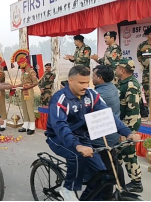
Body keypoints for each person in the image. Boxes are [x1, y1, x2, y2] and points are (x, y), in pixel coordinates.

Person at [45, 65, 140, 201]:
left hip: (82, 136)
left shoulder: (91, 95)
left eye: (87, 82)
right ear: (70, 81)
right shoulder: (60, 99)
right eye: (81, 83)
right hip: (59, 137)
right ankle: (68, 188)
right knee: (77, 155)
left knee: (100, 175)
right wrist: (77, 146)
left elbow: (107, 114)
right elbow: (60, 126)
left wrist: (127, 132)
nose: (85, 86)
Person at [91, 65, 125, 200]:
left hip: (102, 137)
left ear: (99, 78)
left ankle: (106, 195)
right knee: (113, 164)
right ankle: (120, 189)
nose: (92, 78)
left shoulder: (98, 95)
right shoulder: (112, 88)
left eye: (93, 76)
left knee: (104, 168)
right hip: (113, 135)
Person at [114, 58, 143, 193]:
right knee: (118, 152)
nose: (116, 70)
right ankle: (115, 178)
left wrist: (128, 132)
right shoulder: (124, 82)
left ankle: (136, 182)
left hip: (129, 122)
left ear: (123, 70)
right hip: (123, 122)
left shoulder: (130, 85)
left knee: (129, 153)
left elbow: (132, 109)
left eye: (117, 68)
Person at [12, 49, 38, 135]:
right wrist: (16, 86)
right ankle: (26, 124)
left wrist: (27, 87)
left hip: (29, 91)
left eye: (20, 64)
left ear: (25, 62)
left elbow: (35, 83)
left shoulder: (31, 71)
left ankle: (32, 126)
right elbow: (23, 83)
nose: (20, 66)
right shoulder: (23, 72)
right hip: (23, 91)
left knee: (30, 108)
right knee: (24, 108)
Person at [137, 27, 151, 106]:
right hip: (147, 72)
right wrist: (146, 64)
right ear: (147, 35)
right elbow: (139, 57)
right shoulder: (142, 45)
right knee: (147, 91)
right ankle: (150, 110)